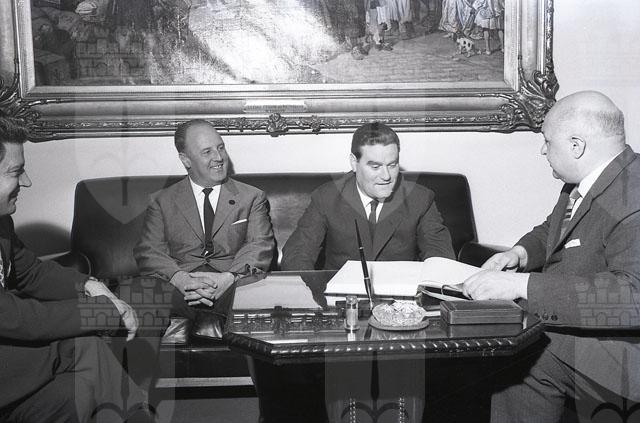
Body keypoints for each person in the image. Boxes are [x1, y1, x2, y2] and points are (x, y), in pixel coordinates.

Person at [462, 91, 640, 422]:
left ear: (576, 146)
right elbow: (554, 229)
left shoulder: (635, 196)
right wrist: (519, 254)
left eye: (547, 140)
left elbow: (633, 298)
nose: (543, 150)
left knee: (522, 351)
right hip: (604, 339)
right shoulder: (590, 181)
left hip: (628, 352)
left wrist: (522, 286)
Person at [0, 116, 156, 422]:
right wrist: (103, 311)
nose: (27, 182)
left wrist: (90, 285)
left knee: (81, 388)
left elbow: (32, 273)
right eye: (15, 172)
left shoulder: (2, 222)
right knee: (83, 350)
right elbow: (17, 317)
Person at [134, 119, 275, 323]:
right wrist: (180, 279)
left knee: (258, 295)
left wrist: (229, 278)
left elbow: (259, 245)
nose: (219, 157)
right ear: (186, 160)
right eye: (207, 152)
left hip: (231, 285)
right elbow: (149, 251)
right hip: (180, 287)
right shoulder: (161, 201)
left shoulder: (251, 197)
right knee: (138, 292)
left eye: (221, 148)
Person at [281, 122, 455, 271]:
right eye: (375, 167)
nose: (386, 176)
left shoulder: (420, 198)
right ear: (354, 163)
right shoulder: (326, 197)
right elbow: (297, 254)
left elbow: (440, 256)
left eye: (392, 165)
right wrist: (314, 292)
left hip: (400, 295)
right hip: (342, 295)